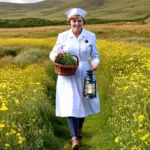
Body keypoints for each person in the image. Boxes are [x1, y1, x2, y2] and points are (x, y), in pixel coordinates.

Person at [49, 8, 100, 150]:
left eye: (79, 21)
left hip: (86, 72)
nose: (76, 24)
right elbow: (52, 53)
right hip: (68, 74)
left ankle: (79, 128)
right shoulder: (62, 36)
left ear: (83, 22)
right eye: (74, 21)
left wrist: (95, 62)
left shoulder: (91, 36)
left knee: (84, 100)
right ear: (69, 22)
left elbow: (95, 55)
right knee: (71, 102)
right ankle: (74, 138)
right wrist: (57, 55)